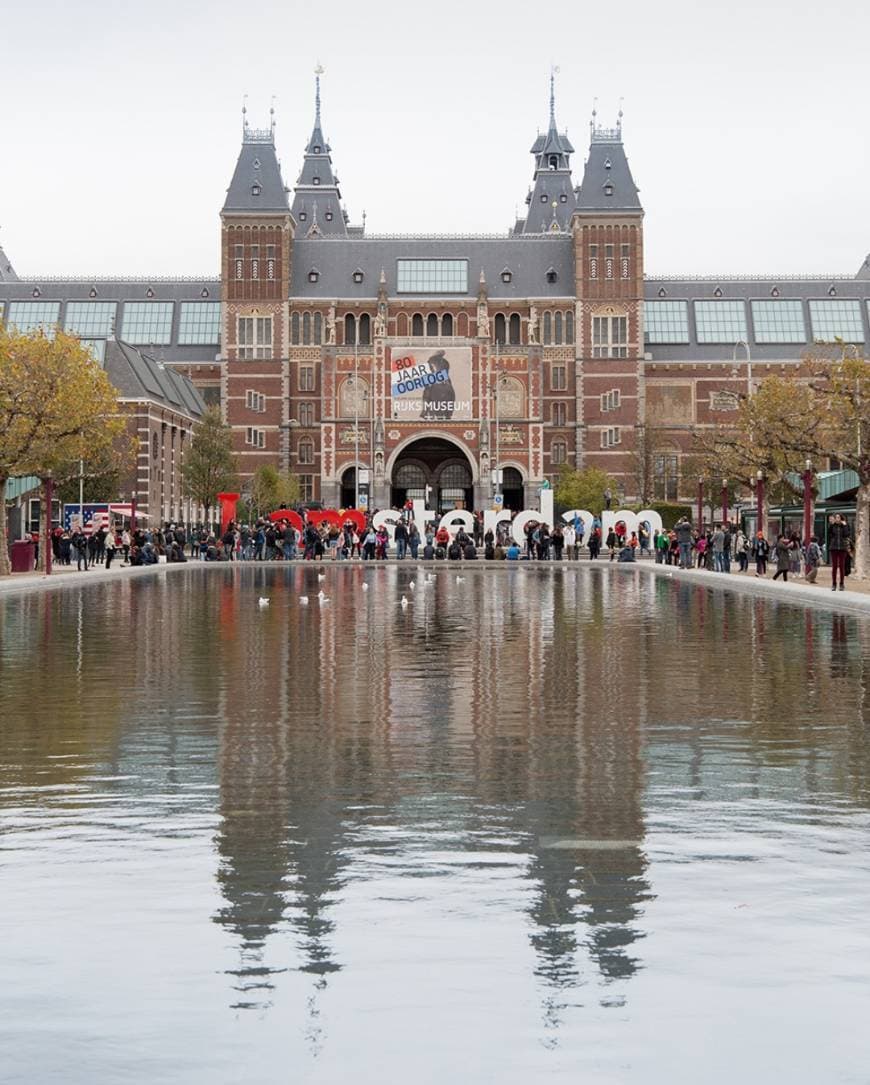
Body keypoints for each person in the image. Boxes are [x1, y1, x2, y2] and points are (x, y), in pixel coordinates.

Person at [828, 514, 851, 591]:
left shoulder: (845, 526)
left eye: (838, 517)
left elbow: (846, 535)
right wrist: (832, 525)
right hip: (834, 548)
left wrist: (844, 526)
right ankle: (834, 584)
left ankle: (842, 584)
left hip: (842, 548)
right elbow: (829, 534)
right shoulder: (832, 526)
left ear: (841, 518)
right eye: (836, 517)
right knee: (834, 567)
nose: (837, 519)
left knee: (842, 566)